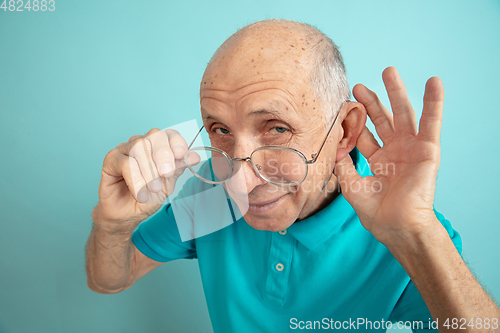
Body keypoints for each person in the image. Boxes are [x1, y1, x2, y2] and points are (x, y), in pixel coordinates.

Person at [85, 19, 500, 332]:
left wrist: (417, 237)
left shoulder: (410, 234)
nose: (239, 182)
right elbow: (109, 281)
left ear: (345, 131)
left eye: (277, 129)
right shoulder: (212, 196)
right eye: (221, 131)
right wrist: (112, 224)